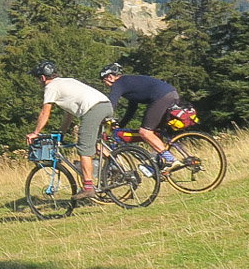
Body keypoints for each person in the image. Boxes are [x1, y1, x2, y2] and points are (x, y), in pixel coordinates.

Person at [23, 61, 111, 198]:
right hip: (106, 105)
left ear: (42, 78)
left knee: (83, 149)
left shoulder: (51, 87)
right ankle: (115, 166)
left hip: (92, 109)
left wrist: (36, 133)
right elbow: (69, 114)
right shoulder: (67, 81)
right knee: (93, 144)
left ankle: (88, 187)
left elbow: (45, 113)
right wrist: (61, 133)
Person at [99, 64, 191, 171]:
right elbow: (132, 108)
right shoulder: (129, 83)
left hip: (161, 96)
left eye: (104, 80)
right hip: (171, 94)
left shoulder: (119, 84)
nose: (105, 84)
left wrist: (102, 119)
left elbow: (111, 104)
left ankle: (171, 160)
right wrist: (121, 125)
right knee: (155, 133)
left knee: (145, 132)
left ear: (110, 77)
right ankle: (158, 163)